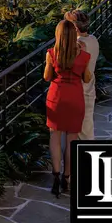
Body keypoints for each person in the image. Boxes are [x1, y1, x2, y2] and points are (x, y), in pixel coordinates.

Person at [44, 20, 92, 198]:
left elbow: (47, 77)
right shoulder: (83, 55)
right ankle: (67, 177)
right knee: (72, 140)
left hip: (56, 98)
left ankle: (56, 178)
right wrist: (84, 61)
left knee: (55, 137)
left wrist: (49, 63)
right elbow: (86, 79)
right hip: (75, 98)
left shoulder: (52, 54)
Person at [65, 10, 98, 141]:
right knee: (87, 129)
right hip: (89, 89)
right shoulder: (93, 39)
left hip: (79, 91)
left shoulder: (79, 45)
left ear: (75, 27)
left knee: (81, 133)